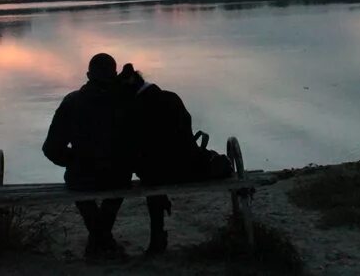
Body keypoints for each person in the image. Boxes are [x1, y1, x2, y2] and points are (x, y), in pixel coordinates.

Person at [119, 63, 232, 255]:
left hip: (155, 176)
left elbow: (132, 150)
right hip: (187, 171)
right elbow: (186, 142)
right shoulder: (170, 98)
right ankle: (157, 234)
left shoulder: (133, 109)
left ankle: (157, 237)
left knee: (151, 176)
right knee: (214, 162)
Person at [42, 53, 133, 258]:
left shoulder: (72, 102)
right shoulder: (125, 102)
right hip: (116, 176)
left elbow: (51, 149)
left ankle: (98, 237)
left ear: (88, 75)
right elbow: (136, 144)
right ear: (115, 74)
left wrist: (74, 161)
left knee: (78, 181)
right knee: (121, 179)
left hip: (82, 176)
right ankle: (102, 237)